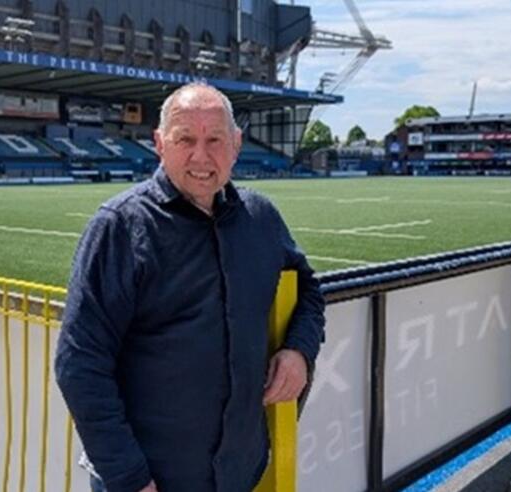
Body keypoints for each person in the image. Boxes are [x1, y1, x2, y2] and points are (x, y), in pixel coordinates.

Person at [55, 82, 325, 492]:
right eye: (186, 139)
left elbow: (308, 290)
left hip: (239, 474)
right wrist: (129, 479)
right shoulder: (120, 227)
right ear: (160, 144)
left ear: (236, 144)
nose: (202, 156)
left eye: (215, 139)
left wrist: (299, 351)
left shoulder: (261, 218)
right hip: (151, 481)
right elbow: (79, 364)